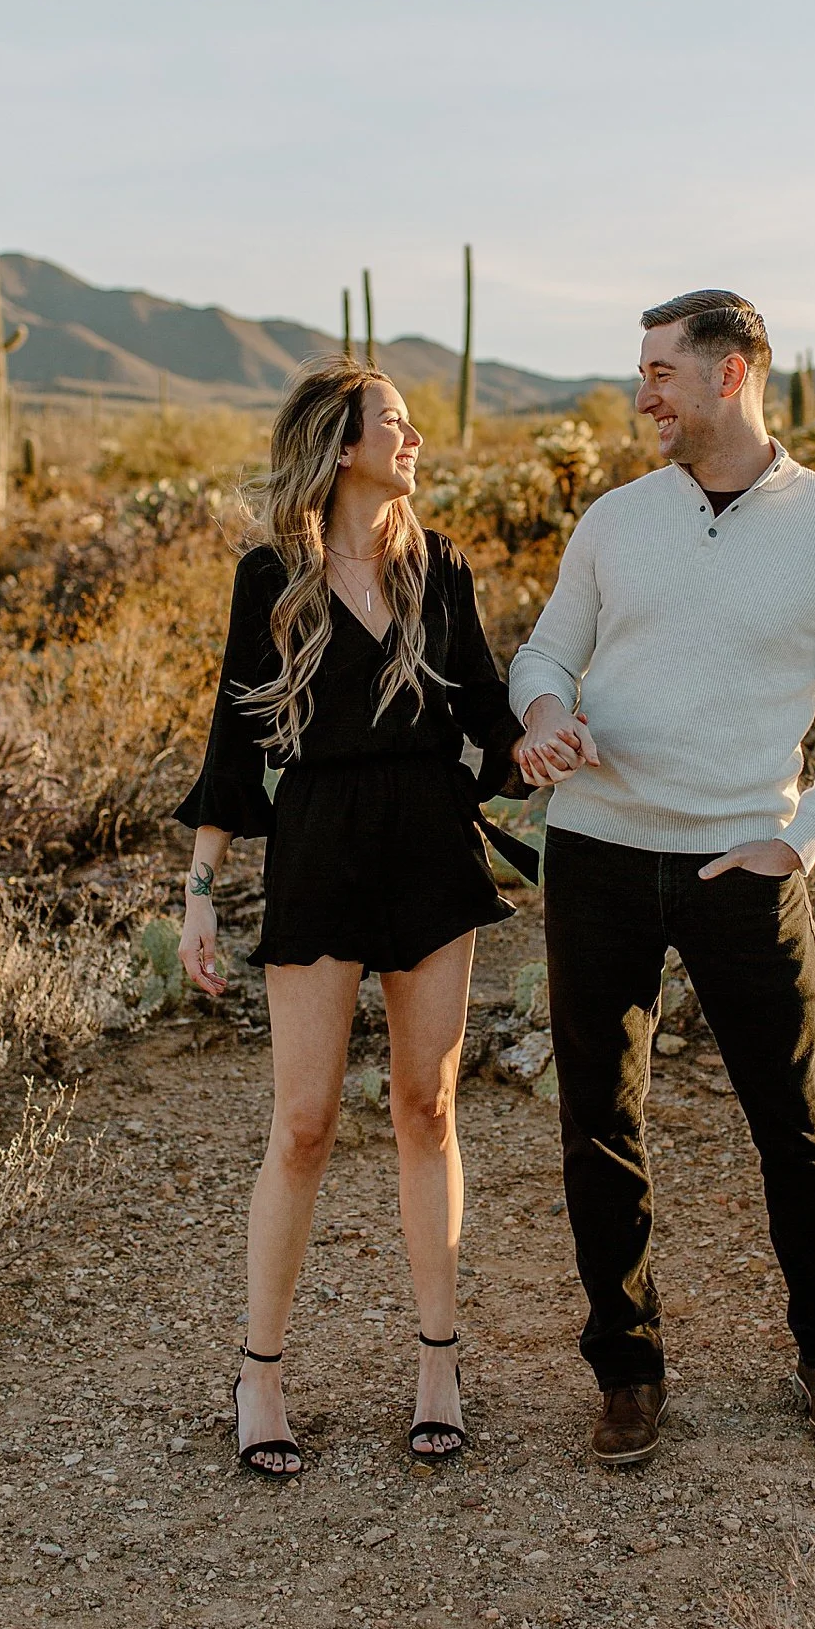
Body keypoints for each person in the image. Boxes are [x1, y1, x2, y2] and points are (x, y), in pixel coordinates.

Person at [512, 291, 815, 1465]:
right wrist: (543, 714)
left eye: (659, 372)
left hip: (744, 862)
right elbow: (546, 651)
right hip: (597, 850)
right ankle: (627, 1374)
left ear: (729, 374)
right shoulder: (616, 520)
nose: (642, 395)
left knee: (797, 1125)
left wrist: (803, 839)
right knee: (599, 1123)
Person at [176, 354, 534, 1479]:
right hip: (322, 850)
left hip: (429, 844)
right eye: (395, 421)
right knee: (305, 1123)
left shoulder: (442, 567)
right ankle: (261, 1374)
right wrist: (199, 891)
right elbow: (234, 739)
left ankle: (439, 1364)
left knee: (429, 1108)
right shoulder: (271, 578)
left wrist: (541, 743)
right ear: (341, 447)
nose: (414, 438)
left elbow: (488, 710)